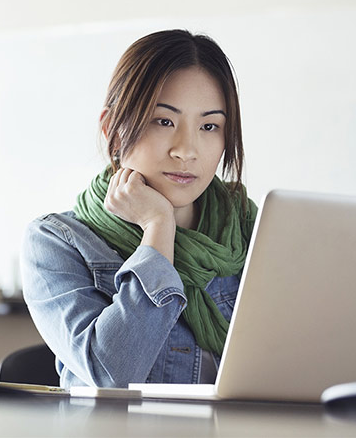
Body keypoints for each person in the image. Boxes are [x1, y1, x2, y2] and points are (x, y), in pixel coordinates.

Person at [20, 29, 258, 388]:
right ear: (113, 130)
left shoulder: (250, 229)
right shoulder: (56, 242)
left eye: (209, 126)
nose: (186, 150)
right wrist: (157, 226)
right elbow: (111, 374)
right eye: (164, 121)